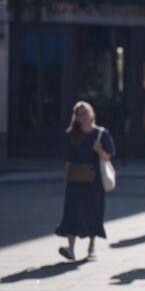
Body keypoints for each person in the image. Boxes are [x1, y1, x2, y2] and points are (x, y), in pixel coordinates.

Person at [56, 101, 115, 261]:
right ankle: (71, 248)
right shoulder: (71, 134)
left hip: (94, 181)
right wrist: (66, 177)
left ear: (92, 113)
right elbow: (68, 159)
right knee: (72, 212)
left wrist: (99, 150)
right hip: (75, 179)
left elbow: (108, 156)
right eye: (79, 113)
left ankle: (91, 247)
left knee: (93, 212)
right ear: (76, 117)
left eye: (85, 112)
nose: (83, 116)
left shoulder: (101, 134)